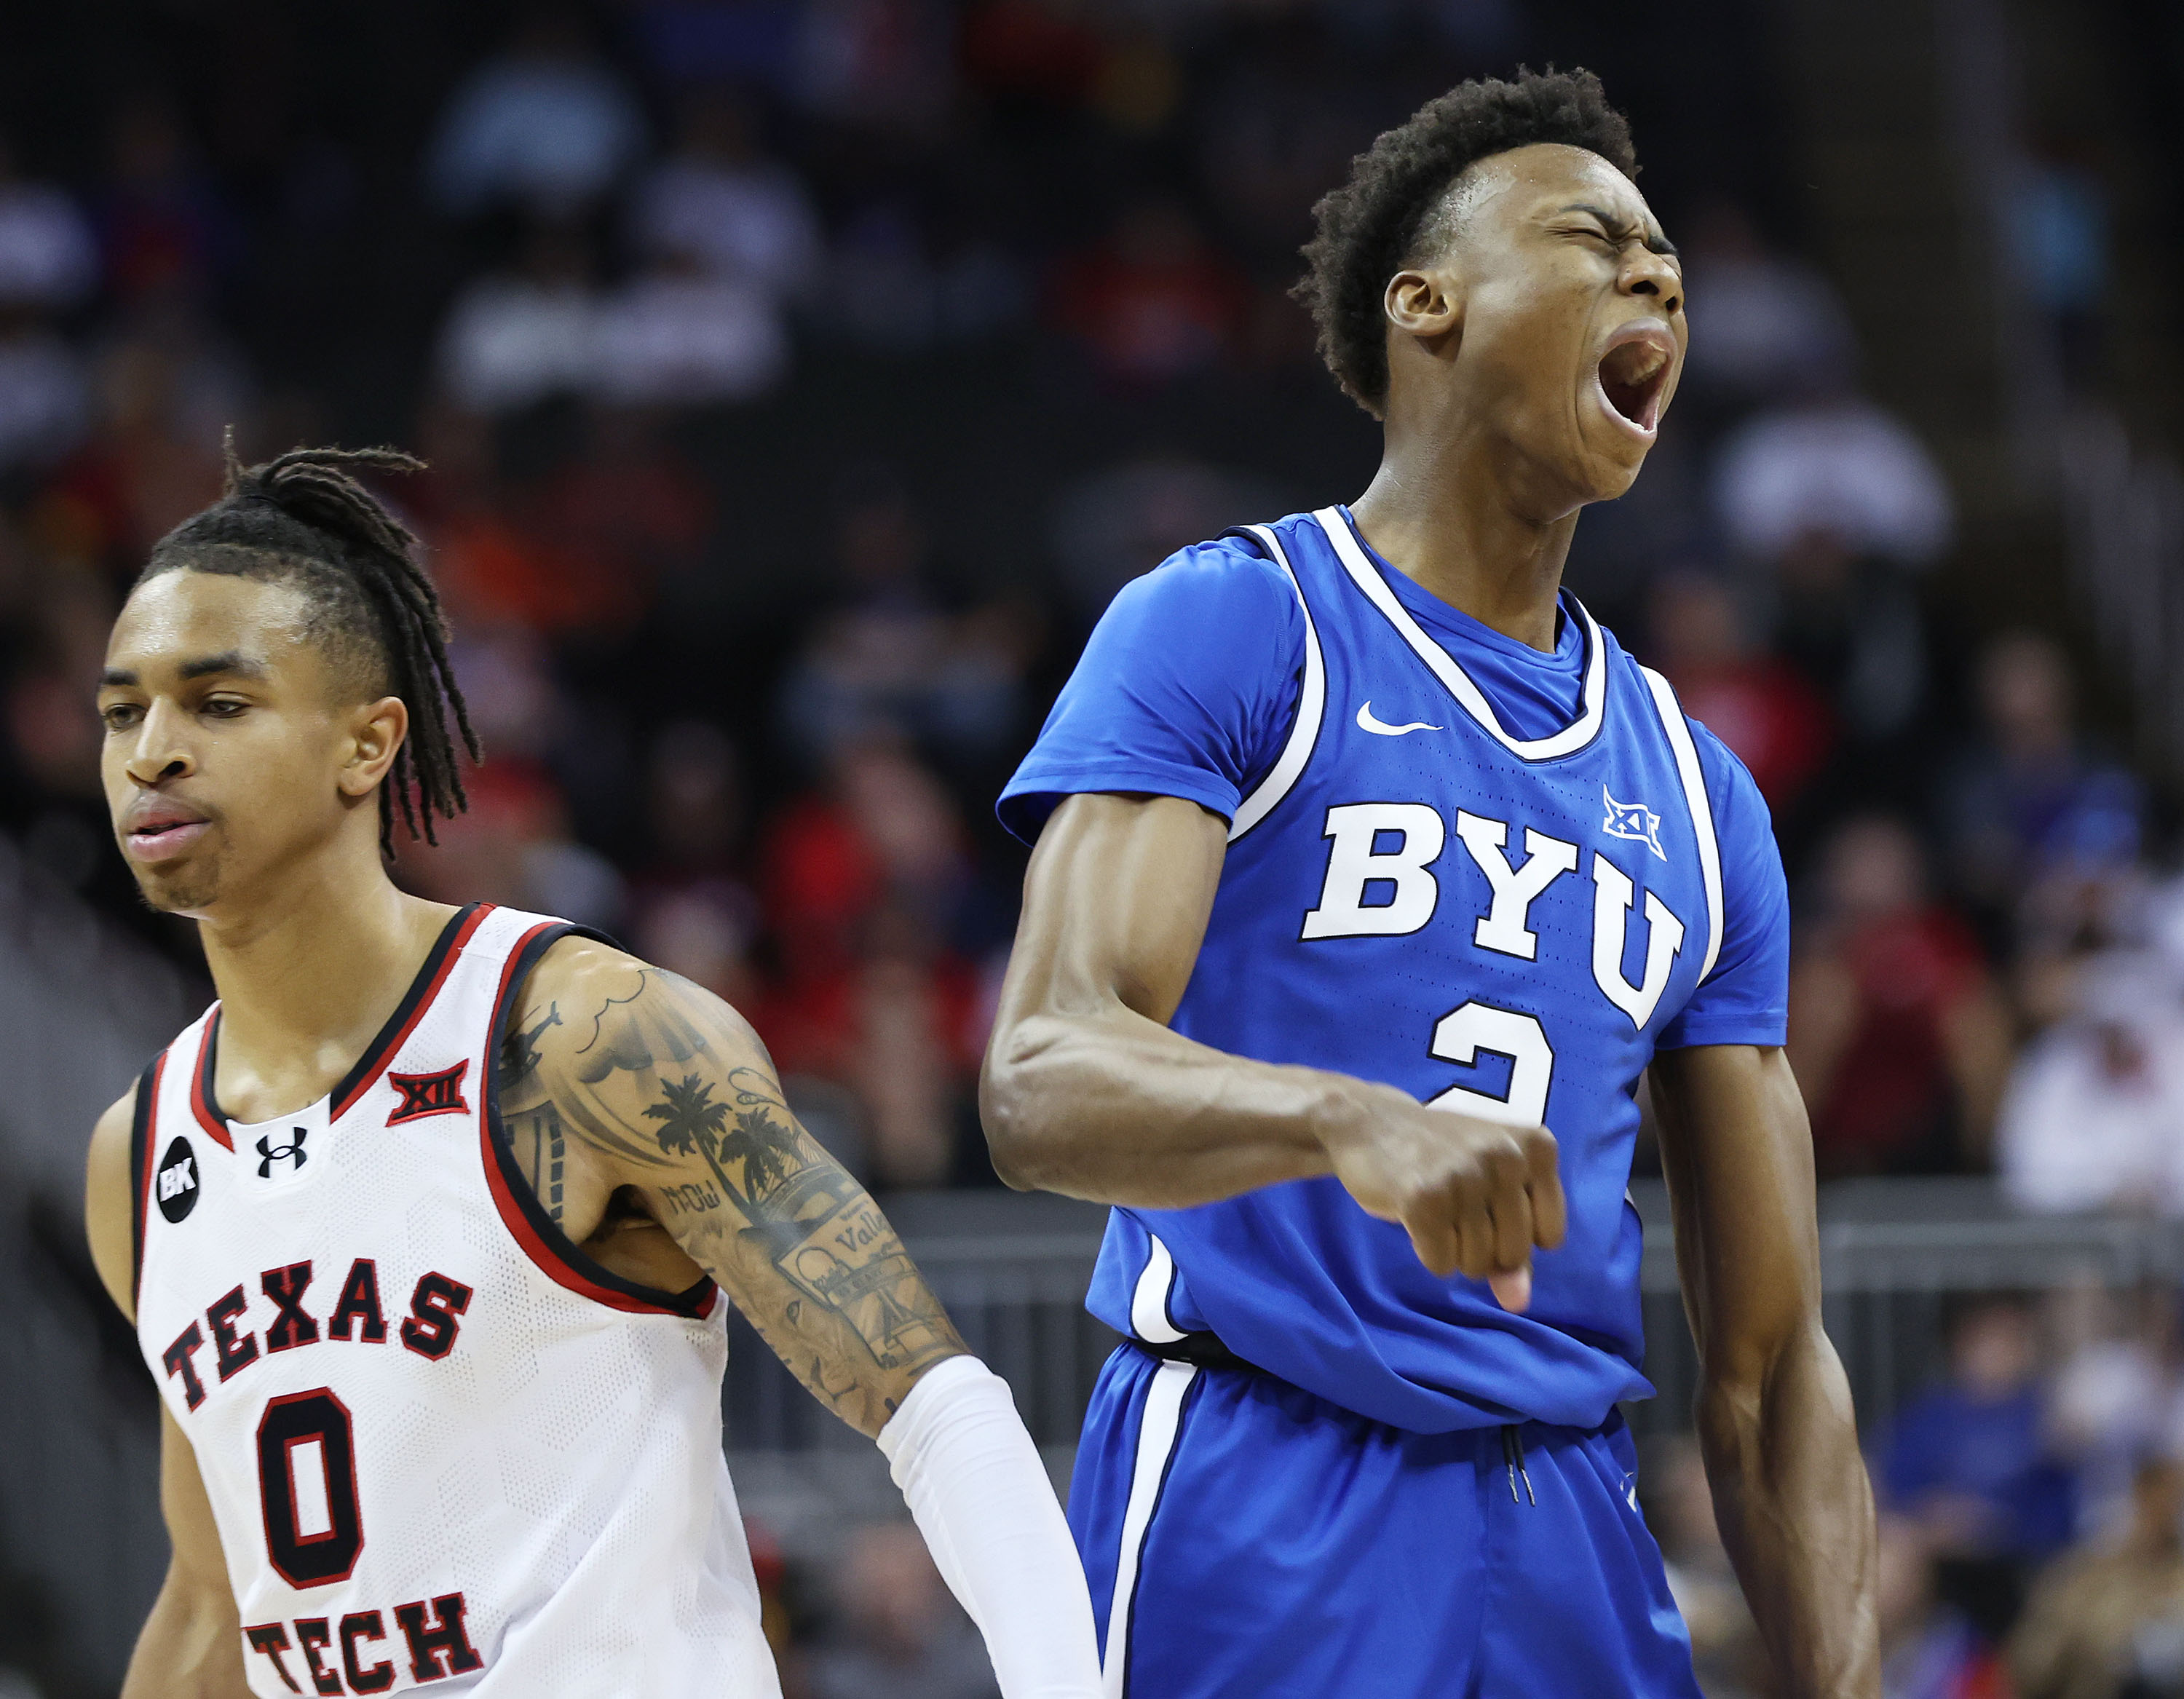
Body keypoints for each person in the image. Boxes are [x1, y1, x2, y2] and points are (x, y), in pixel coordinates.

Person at [981, 68, 1878, 1698]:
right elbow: (1041, 1075)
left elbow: (1770, 1371)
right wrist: (1345, 1120)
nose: (1656, 279)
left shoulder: (1699, 794)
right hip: (1266, 1473)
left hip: (1575, 1516)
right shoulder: (1241, 620)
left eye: (1669, 265)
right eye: (1595, 240)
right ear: (1427, 302)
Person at [80, 445, 1101, 1696]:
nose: (152, 751)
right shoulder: (141, 1152)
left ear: (368, 743)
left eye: (218, 703)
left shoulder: (580, 1035)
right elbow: (213, 1600)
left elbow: (932, 1402)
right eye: (122, 712)